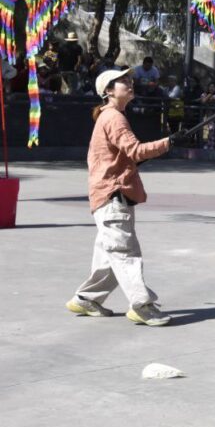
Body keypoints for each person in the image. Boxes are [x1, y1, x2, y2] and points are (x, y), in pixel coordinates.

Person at [65, 68, 184, 326]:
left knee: (110, 255)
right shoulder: (114, 117)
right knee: (125, 252)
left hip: (109, 196)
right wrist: (169, 142)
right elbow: (136, 151)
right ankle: (142, 305)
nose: (129, 83)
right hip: (113, 196)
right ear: (108, 91)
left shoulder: (111, 117)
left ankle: (87, 298)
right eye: (122, 81)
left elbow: (123, 156)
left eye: (129, 80)